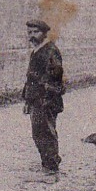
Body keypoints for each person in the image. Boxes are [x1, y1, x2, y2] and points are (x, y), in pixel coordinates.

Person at [23, 19, 65, 177]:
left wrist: (46, 97)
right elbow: (30, 78)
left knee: (47, 132)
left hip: (47, 100)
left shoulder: (50, 51)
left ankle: (52, 167)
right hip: (35, 99)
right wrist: (27, 99)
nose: (32, 36)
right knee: (37, 132)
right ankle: (46, 163)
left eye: (35, 32)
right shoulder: (36, 51)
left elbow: (56, 78)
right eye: (30, 33)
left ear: (44, 33)